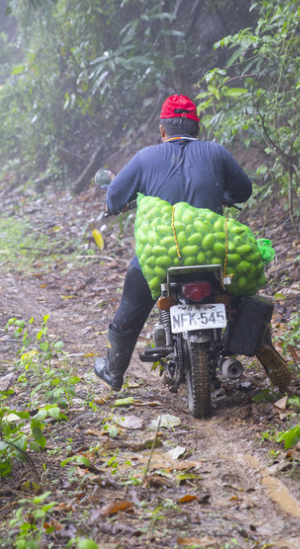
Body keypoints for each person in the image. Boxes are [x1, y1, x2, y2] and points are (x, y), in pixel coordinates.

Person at [94, 94, 253, 391]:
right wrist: (223, 195)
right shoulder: (217, 153)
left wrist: (119, 196)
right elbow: (243, 190)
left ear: (162, 130)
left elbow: (114, 197)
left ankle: (114, 370)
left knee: (133, 299)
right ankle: (253, 348)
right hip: (214, 253)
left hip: (162, 257)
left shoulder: (144, 158)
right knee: (243, 296)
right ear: (198, 129)